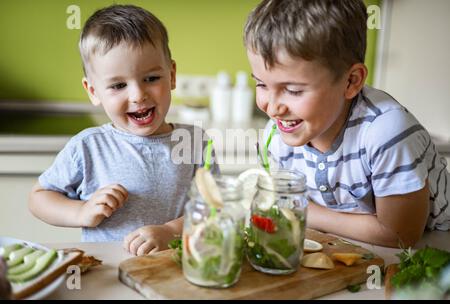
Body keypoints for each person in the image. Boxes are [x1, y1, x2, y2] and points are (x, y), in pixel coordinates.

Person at [244, 0, 449, 247]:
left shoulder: (385, 132)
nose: (273, 107)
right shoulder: (276, 137)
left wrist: (304, 210)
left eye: (293, 90)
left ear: (351, 81)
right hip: (357, 249)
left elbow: (399, 235)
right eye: (261, 84)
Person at [28, 4, 217, 255]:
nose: (138, 95)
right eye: (118, 85)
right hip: (107, 274)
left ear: (171, 75)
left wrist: (171, 232)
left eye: (151, 78)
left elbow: (213, 207)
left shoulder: (194, 142)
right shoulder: (88, 147)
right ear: (93, 91)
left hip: (173, 272)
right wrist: (81, 211)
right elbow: (39, 198)